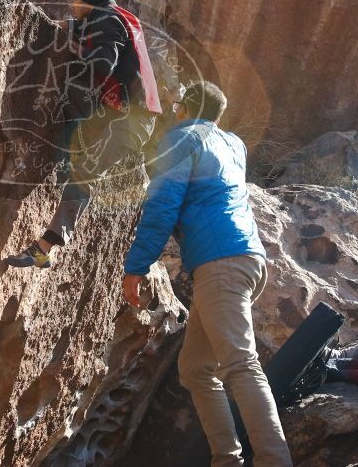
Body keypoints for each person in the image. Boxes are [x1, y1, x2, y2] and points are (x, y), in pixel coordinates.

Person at [121, 82, 293, 466]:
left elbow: (164, 204)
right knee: (196, 370)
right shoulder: (232, 144)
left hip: (221, 263)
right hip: (245, 260)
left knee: (240, 363)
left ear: (183, 109)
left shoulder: (183, 138)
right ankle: (226, 460)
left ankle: (274, 460)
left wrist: (136, 266)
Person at [5, 0, 163, 268]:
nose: (72, 5)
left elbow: (103, 61)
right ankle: (46, 241)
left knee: (85, 171)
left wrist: (72, 57)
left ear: (90, 1)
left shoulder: (105, 18)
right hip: (125, 113)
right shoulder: (115, 16)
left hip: (128, 120)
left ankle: (43, 248)